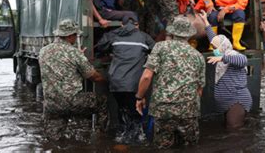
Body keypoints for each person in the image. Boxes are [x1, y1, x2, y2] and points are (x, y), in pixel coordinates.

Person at [135, 15, 205, 149]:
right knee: (189, 148)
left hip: (163, 110)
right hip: (189, 111)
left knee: (164, 147)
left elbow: (146, 77)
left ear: (172, 32)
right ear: (189, 34)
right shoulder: (198, 56)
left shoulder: (160, 47)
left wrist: (139, 97)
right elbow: (199, 90)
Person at [39, 19, 107, 140]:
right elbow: (94, 77)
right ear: (70, 36)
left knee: (53, 140)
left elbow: (60, 63)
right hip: (72, 102)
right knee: (102, 102)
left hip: (51, 104)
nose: (76, 38)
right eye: (75, 35)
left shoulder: (43, 51)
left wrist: (76, 55)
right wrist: (108, 80)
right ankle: (100, 137)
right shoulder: (74, 53)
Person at [95, 15, 155, 144]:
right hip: (135, 83)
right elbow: (155, 51)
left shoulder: (114, 35)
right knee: (135, 109)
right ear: (137, 25)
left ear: (121, 25)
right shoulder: (144, 37)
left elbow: (100, 47)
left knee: (122, 107)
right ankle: (137, 137)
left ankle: (122, 135)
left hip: (116, 82)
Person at [199, 10, 252, 129]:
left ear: (223, 47)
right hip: (227, 102)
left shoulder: (231, 54)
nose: (214, 49)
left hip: (237, 100)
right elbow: (214, 39)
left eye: (215, 48)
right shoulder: (221, 53)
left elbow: (243, 60)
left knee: (234, 130)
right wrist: (206, 22)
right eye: (213, 48)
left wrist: (223, 58)